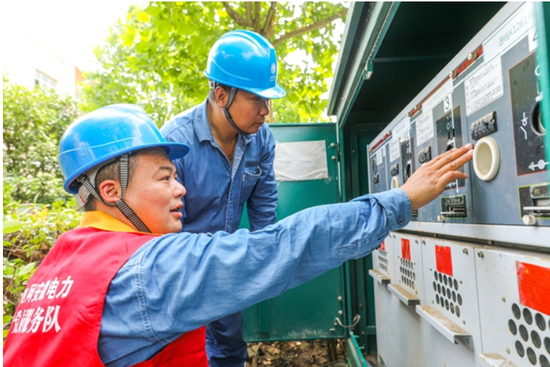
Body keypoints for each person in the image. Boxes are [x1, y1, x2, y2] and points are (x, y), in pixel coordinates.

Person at [3, 104, 474, 367]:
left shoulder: (59, 263)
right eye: (165, 177)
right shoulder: (150, 270)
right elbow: (283, 247)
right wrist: (400, 200)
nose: (181, 187)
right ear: (110, 191)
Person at [160, 30, 284, 366]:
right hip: (181, 269)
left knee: (229, 348)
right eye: (257, 99)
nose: (266, 111)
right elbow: (159, 222)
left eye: (268, 100)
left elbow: (264, 200)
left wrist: (265, 255)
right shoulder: (174, 142)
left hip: (227, 266)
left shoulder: (262, 141)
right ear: (222, 94)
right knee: (182, 351)